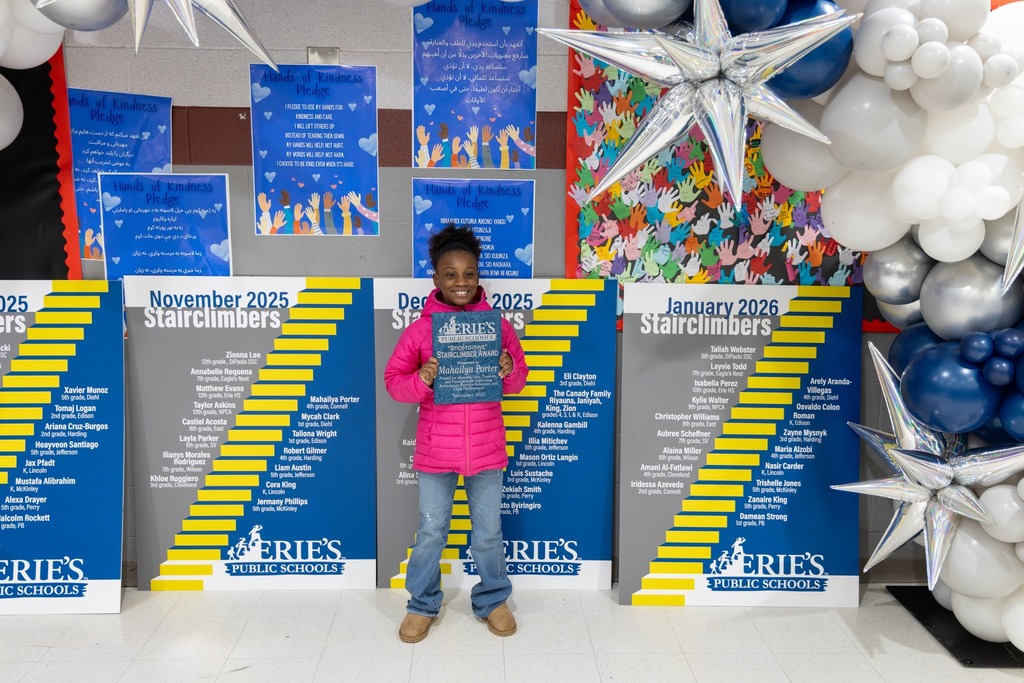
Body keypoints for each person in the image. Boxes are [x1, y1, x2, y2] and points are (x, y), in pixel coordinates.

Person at [384, 225, 529, 643]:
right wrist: (422, 380)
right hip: (435, 451)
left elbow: (519, 379)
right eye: (450, 274)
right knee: (432, 530)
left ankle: (493, 599)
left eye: (468, 274)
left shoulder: (497, 328)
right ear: (436, 279)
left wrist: (508, 369)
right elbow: (394, 381)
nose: (460, 282)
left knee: (487, 531)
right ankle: (421, 603)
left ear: (478, 277)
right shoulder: (420, 331)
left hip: (486, 450)